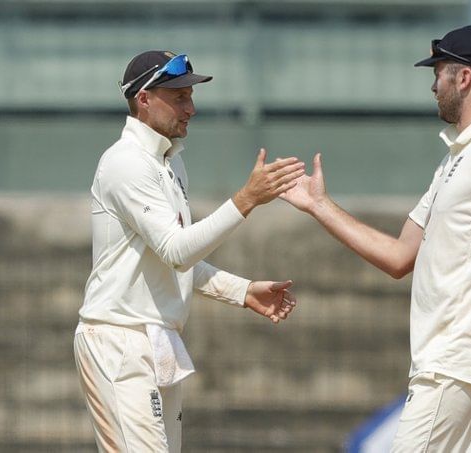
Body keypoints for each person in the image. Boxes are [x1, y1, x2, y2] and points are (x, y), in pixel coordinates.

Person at [281, 26, 471, 452]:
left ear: (464, 78)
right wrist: (319, 206)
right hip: (455, 369)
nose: (432, 84)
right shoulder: (455, 160)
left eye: (439, 72)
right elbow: (400, 256)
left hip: (457, 367)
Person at [74, 50, 304, 453]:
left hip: (158, 339)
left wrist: (243, 290)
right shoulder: (126, 163)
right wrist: (246, 199)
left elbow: (172, 260)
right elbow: (177, 251)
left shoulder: (171, 164)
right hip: (119, 340)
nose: (191, 108)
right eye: (179, 96)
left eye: (190, 97)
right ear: (144, 99)